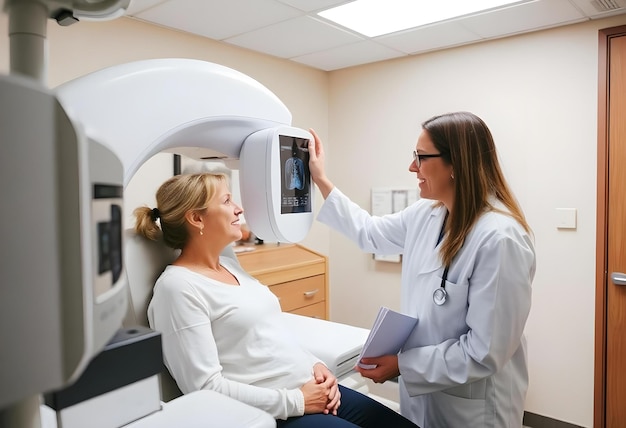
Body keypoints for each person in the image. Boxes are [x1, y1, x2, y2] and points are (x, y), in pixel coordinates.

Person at [134, 172, 418, 428]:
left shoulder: (230, 267)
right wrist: (297, 401)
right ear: (196, 219)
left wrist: (316, 365)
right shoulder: (178, 289)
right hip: (274, 413)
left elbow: (273, 334)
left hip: (311, 390)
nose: (239, 208)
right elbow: (205, 387)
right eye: (227, 201)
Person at [307, 111, 536, 428]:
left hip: (474, 407)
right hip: (427, 398)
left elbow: (485, 351)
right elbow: (370, 232)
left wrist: (403, 365)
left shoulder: (499, 238)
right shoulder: (426, 215)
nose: (412, 167)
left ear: (455, 163)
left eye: (421, 157)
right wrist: (320, 178)